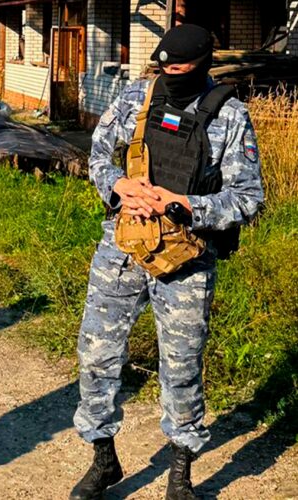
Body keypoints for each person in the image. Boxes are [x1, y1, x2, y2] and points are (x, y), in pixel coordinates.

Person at [70, 24, 264, 500]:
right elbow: (98, 154)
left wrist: (185, 206)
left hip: (186, 257)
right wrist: (118, 186)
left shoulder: (229, 115)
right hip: (124, 247)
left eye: (179, 68)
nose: (169, 75)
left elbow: (248, 197)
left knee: (181, 365)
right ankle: (103, 458)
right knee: (96, 353)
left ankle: (180, 472)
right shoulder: (137, 96)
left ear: (202, 65)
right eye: (164, 67)